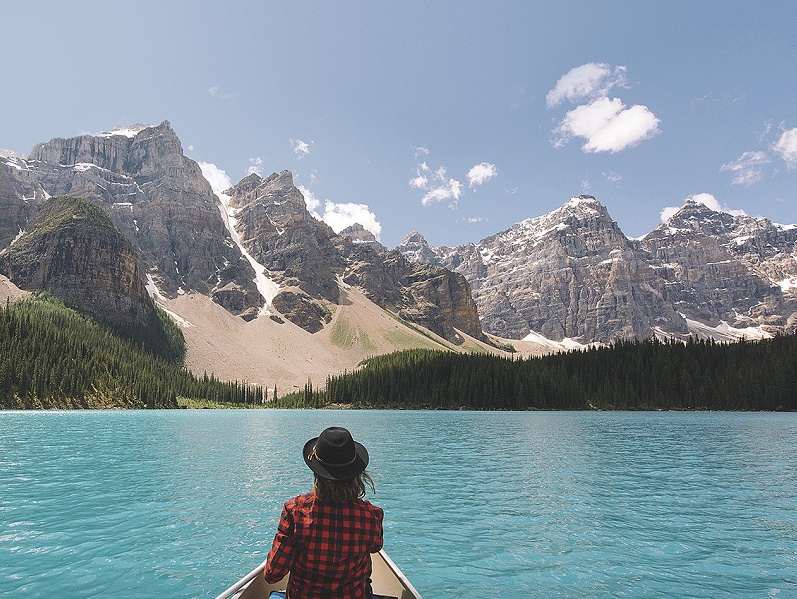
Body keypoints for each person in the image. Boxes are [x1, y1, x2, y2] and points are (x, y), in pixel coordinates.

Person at [264, 426, 384, 598]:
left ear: (316, 472)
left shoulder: (294, 511)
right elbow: (376, 547)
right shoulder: (372, 515)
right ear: (356, 473)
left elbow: (272, 574)